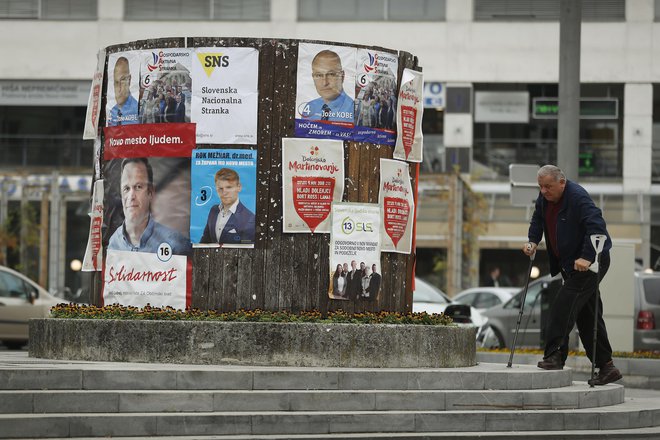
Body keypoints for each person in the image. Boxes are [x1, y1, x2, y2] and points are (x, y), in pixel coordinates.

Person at [523, 164, 622, 385]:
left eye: (548, 186)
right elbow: (538, 220)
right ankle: (607, 367)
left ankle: (555, 355)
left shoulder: (577, 197)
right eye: (540, 187)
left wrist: (587, 257)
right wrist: (532, 240)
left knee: (563, 305)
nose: (543, 191)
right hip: (571, 265)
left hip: (591, 262)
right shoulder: (544, 199)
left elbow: (597, 227)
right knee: (588, 316)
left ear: (562, 183)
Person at [108, 157, 191, 256]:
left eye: (138, 187)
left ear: (151, 192)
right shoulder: (113, 244)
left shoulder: (176, 244)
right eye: (126, 188)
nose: (131, 196)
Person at [201, 168, 255, 245]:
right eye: (220, 188)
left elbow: (247, 249)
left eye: (229, 187)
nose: (224, 193)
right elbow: (205, 240)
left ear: (239, 187)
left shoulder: (250, 218)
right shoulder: (214, 210)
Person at [302, 50, 354, 123]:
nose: (325, 83)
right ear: (313, 77)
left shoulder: (355, 111)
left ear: (342, 76)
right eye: (319, 75)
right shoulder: (309, 108)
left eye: (331, 74)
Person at [108, 57, 139, 126]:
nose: (119, 88)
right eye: (116, 82)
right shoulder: (112, 112)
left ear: (129, 80)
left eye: (122, 80)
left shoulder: (138, 111)